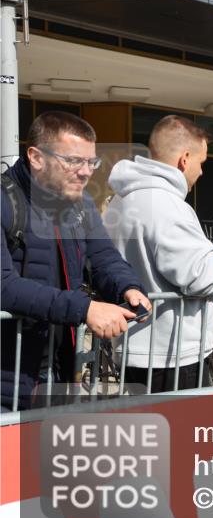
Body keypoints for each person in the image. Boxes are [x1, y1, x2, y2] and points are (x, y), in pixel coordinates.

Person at [1, 112, 150, 410]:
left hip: (59, 371)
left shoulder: (80, 204)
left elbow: (103, 257)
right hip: (8, 376)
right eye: (73, 161)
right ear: (36, 157)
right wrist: (84, 309)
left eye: (91, 162)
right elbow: (3, 284)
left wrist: (127, 287)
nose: (85, 172)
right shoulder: (5, 200)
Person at [104, 115, 213, 392]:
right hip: (172, 353)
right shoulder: (167, 204)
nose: (201, 172)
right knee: (180, 433)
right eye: (201, 162)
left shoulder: (121, 200)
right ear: (185, 159)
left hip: (137, 346)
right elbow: (199, 278)